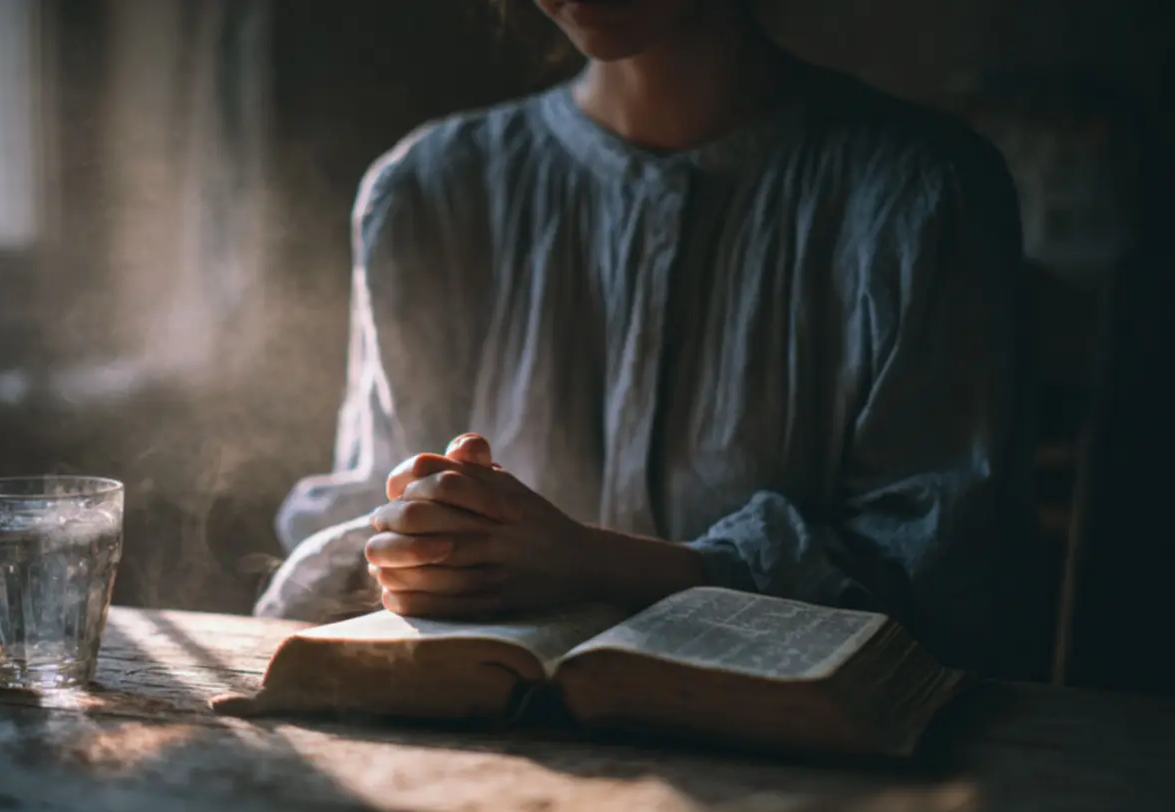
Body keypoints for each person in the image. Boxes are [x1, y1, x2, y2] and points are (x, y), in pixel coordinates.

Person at [257, 0, 1046, 678]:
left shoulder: (921, 196)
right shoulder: (431, 190)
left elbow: (938, 577)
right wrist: (427, 538)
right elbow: (375, 499)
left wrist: (589, 564)